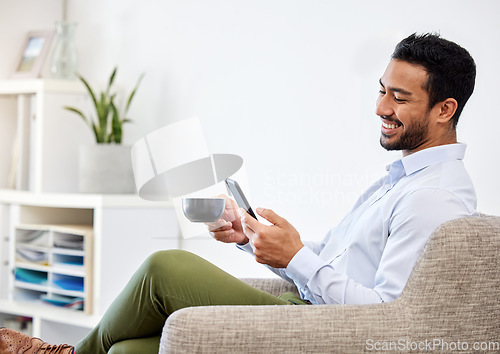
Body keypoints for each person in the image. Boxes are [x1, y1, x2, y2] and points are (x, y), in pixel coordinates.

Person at [0, 32, 477, 354]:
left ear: (444, 109)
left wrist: (295, 259)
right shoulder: (404, 177)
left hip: (323, 328)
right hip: (310, 307)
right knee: (127, 350)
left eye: (400, 97)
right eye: (381, 90)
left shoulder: (432, 199)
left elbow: (388, 321)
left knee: (165, 266)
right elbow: (338, 259)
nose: (381, 108)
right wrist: (256, 238)